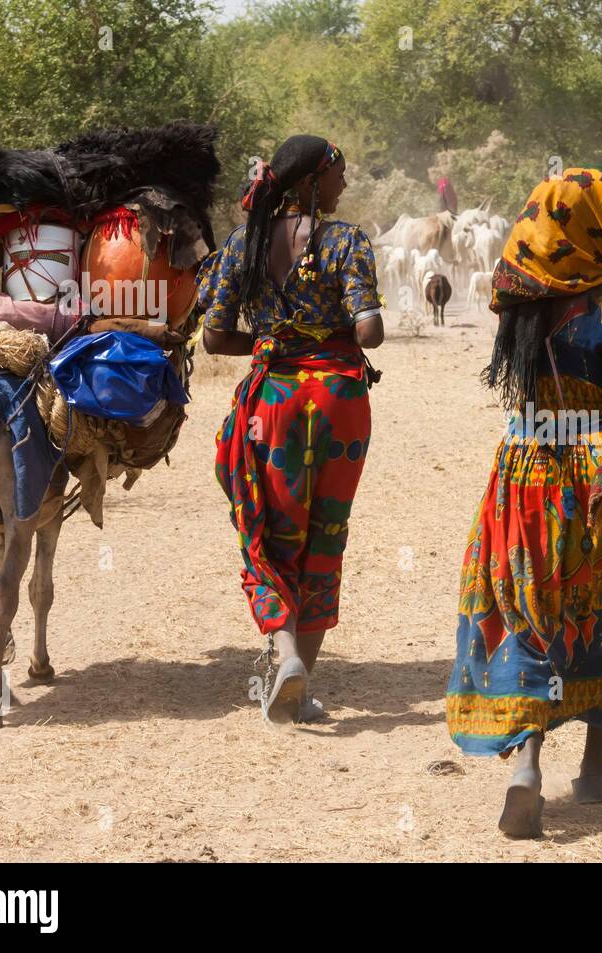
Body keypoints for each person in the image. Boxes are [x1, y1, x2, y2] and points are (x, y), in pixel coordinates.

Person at [445, 168, 602, 837]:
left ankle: (526, 764)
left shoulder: (521, 298)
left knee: (529, 607)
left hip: (521, 470)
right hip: (592, 478)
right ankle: (592, 770)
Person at [199, 135, 384, 725]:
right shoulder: (345, 241)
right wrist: (340, 328)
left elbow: (214, 338)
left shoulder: (243, 245)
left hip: (271, 402)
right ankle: (302, 673)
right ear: (310, 183)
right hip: (337, 401)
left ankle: (285, 658)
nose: (344, 187)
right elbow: (369, 332)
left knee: (272, 529)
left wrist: (277, 341)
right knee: (326, 532)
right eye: (338, 175)